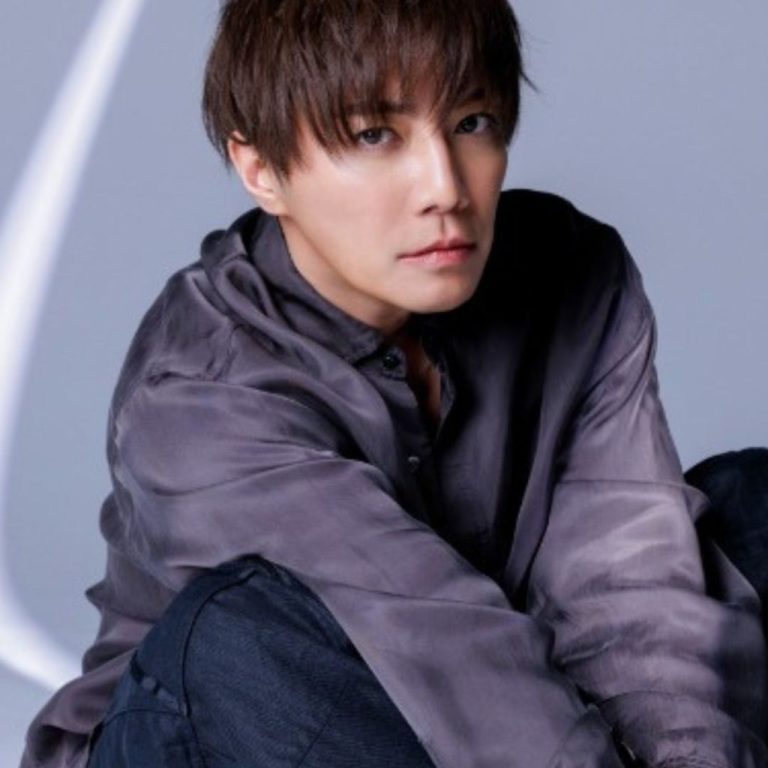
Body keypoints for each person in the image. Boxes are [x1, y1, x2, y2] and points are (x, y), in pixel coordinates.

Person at [21, 1, 768, 766]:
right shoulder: (197, 397)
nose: (444, 187)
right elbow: (443, 640)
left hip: (487, 698)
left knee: (751, 505)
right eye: (374, 135)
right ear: (261, 169)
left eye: (471, 122)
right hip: (231, 730)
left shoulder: (572, 271)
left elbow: (625, 582)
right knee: (240, 632)